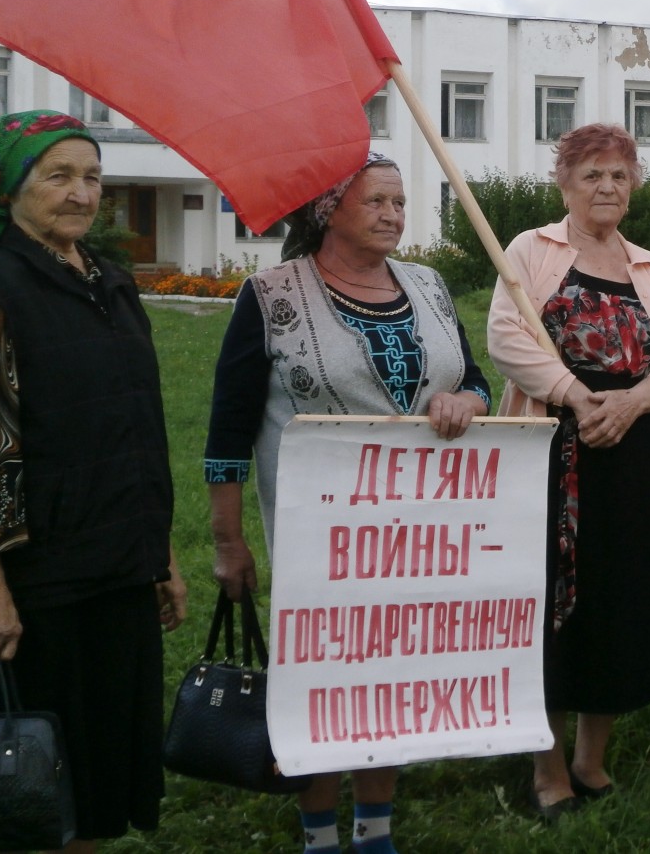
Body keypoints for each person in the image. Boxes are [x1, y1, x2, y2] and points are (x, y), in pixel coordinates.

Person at [205, 152, 491, 854]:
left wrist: (466, 400)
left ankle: (375, 828)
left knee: (390, 673)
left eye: (400, 202)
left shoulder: (427, 285)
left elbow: (475, 378)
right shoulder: (271, 295)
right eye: (379, 202)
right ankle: (318, 832)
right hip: (321, 541)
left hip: (420, 535)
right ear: (330, 208)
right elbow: (226, 432)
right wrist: (226, 540)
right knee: (323, 678)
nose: (395, 215)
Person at [0, 110, 187, 852]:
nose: (82, 194)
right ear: (9, 189)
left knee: (95, 777)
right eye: (58, 176)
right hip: (38, 579)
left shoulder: (112, 285)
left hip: (119, 562)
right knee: (33, 782)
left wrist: (163, 556)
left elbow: (137, 430)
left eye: (92, 176)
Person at [488, 123, 650, 819]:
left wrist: (637, 399)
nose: (606, 186)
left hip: (635, 459)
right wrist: (580, 398)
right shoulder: (532, 250)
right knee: (551, 607)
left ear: (633, 184)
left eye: (619, 174)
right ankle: (547, 770)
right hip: (556, 453)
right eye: (592, 175)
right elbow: (507, 336)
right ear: (565, 184)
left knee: (620, 600)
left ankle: (591, 758)